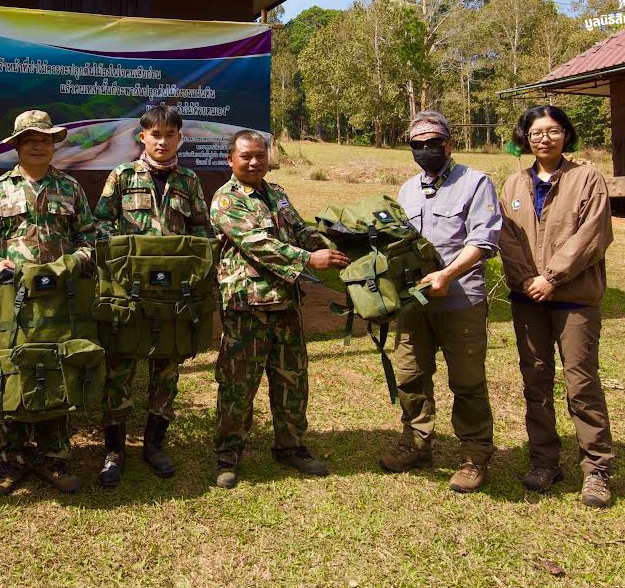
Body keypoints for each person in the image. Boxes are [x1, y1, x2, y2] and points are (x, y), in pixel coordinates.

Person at [0, 109, 97, 498]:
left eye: (46, 139)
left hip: (60, 298)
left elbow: (90, 240)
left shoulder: (71, 189)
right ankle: (13, 460)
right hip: (13, 299)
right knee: (12, 369)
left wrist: (73, 263)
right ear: (18, 146)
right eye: (31, 140)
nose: (40, 146)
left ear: (54, 145)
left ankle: (55, 458)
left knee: (56, 365)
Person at [209, 130, 349, 489]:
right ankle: (228, 454)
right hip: (246, 306)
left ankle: (291, 446)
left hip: (285, 303)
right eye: (246, 157)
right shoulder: (226, 200)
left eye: (260, 155)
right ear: (230, 160)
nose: (255, 162)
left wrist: (332, 247)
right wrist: (308, 258)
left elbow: (300, 231)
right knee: (238, 385)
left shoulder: (278, 194)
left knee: (292, 379)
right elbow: (260, 244)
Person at [499, 105, 615, 508]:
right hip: (527, 298)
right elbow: (506, 239)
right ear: (525, 139)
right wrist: (528, 279)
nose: (543, 139)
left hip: (573, 298)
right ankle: (544, 461)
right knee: (536, 380)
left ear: (566, 134)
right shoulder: (513, 185)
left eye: (551, 131)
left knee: (581, 383)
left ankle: (596, 469)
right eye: (535, 133)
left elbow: (592, 235)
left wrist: (552, 277)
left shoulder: (587, 179)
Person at [92, 104, 213, 487]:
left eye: (170, 135)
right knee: (119, 371)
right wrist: (121, 267)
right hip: (131, 293)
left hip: (173, 296)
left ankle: (154, 445)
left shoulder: (189, 181)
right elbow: (100, 226)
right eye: (155, 135)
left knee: (166, 372)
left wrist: (192, 273)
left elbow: (203, 233)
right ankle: (114, 451)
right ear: (141, 137)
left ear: (180, 138)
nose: (162, 142)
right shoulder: (122, 176)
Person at [381, 110, 502, 493]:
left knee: (467, 382)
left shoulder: (476, 182)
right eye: (418, 145)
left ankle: (474, 456)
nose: (426, 150)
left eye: (433, 143)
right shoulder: (407, 189)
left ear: (450, 143)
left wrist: (448, 275)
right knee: (411, 375)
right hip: (414, 304)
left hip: (460, 300)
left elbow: (484, 242)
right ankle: (416, 445)